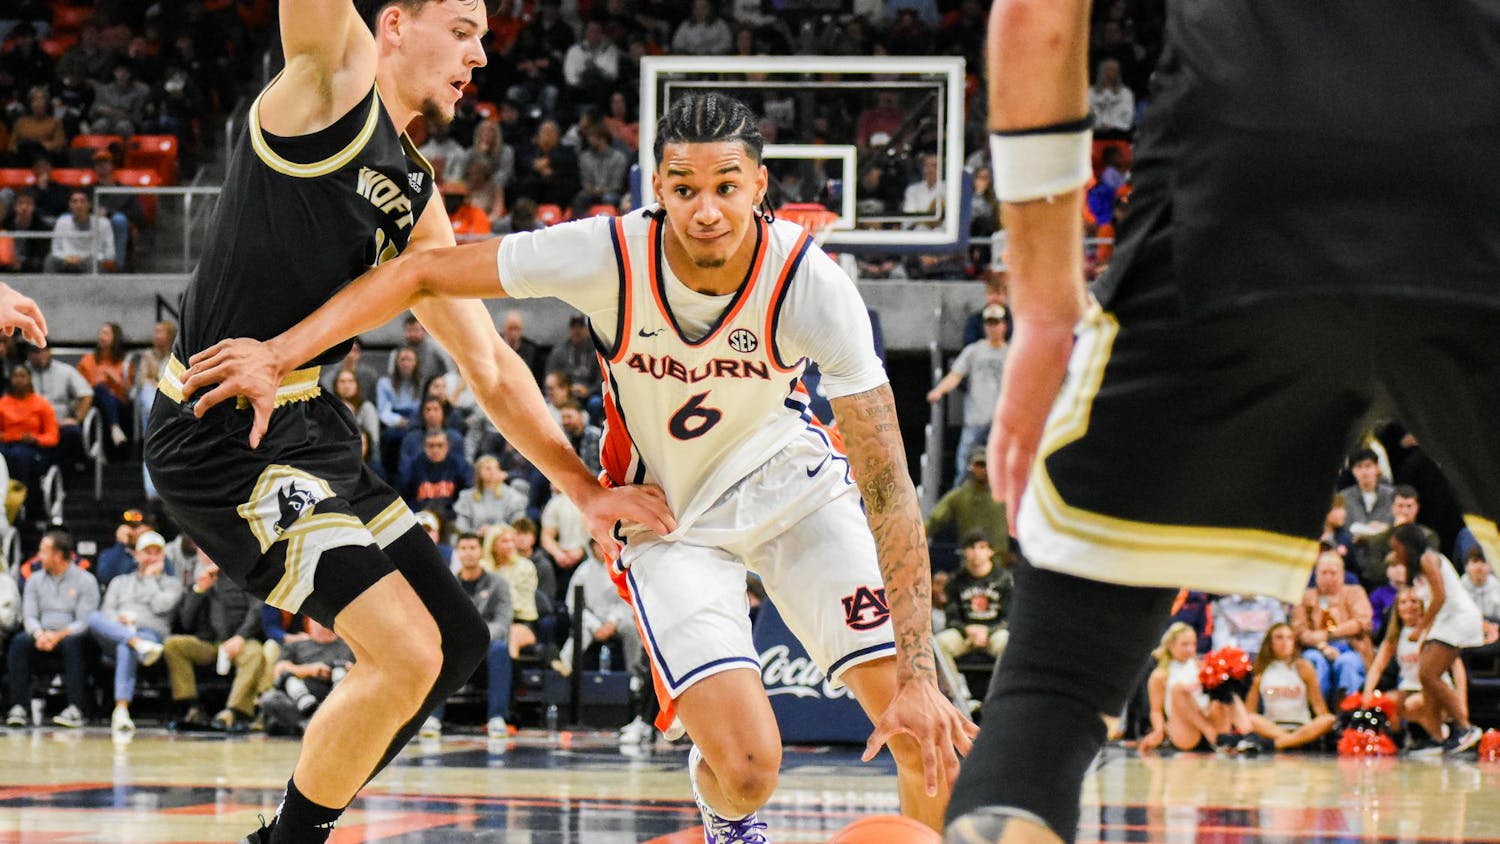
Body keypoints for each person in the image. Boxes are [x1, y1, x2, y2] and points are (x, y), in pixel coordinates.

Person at [179, 91, 975, 837]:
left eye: (727, 187)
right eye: (684, 186)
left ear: (759, 186)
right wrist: (278, 353)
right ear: (655, 185)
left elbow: (886, 484)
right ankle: (728, 814)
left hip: (795, 497)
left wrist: (918, 672)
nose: (706, 209)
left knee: (926, 735)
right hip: (669, 515)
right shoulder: (605, 253)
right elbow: (419, 271)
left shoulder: (812, 285)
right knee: (747, 768)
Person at [947, 0, 1500, 840]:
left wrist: (1045, 309)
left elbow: (1037, 15)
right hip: (1479, 165)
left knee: (1054, 690)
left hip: (1235, 190)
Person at [147, 4, 671, 841]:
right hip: (219, 428)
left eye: (485, 37)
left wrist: (580, 486)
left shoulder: (417, 196)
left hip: (310, 426)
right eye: (463, 29)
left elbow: (491, 367)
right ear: (393, 24)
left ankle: (286, 829)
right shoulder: (328, 83)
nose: (480, 53)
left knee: (455, 642)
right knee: (406, 651)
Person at [1389, 523, 1485, 755]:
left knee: (1428, 674)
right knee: (1427, 675)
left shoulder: (1427, 558)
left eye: (1396, 548)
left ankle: (1465, 727)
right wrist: (1427, 634)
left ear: (1407, 546)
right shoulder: (1418, 570)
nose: (1395, 554)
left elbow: (1440, 597)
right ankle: (1436, 735)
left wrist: (1420, 629)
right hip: (1444, 621)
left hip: (1458, 619)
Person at [162, 550, 271, 732]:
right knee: (174, 645)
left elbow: (257, 609)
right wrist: (198, 591)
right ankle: (191, 707)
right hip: (208, 644)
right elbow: (186, 622)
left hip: (239, 641)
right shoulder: (197, 581)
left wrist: (241, 636)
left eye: (210, 551)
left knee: (255, 653)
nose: (207, 556)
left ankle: (233, 711)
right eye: (203, 553)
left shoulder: (241, 577)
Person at [87, 530, 181, 734]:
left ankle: (121, 710)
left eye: (157, 552)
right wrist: (119, 621)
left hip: (151, 636)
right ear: (136, 555)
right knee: (93, 618)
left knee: (125, 647)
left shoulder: (173, 585)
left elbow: (161, 606)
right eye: (147, 552)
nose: (152, 557)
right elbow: (106, 611)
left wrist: (150, 579)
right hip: (120, 632)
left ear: (163, 556)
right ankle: (135, 642)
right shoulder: (119, 582)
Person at [421, 532, 514, 739]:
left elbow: (503, 623)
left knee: (500, 648)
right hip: (458, 649)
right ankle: (433, 718)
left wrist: (475, 635)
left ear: (481, 551)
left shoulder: (498, 583)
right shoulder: (448, 584)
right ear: (457, 553)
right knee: (440, 648)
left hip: (486, 649)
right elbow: (440, 621)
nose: (468, 553)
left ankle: (496, 718)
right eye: (463, 548)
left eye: (473, 548)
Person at [5, 530, 97, 729]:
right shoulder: (34, 580)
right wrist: (39, 633)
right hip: (42, 634)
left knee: (74, 643)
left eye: (43, 552)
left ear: (58, 555)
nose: (39, 556)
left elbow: (85, 621)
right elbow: (29, 616)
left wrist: (58, 635)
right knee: (20, 642)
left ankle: (75, 708)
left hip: (71, 635)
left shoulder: (86, 580)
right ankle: (18, 707)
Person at [1361, 587, 1467, 750]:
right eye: (1403, 602)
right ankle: (1400, 741)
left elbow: (1457, 668)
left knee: (1412, 704)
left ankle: (1439, 735)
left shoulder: (1434, 631)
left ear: (1423, 606)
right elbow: (1377, 666)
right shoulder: (1396, 635)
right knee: (1385, 702)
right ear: (1396, 607)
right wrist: (1367, 695)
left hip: (1436, 689)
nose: (1408, 606)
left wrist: (1460, 700)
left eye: (1414, 602)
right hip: (1409, 687)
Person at [1136, 623, 1252, 754]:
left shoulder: (1201, 666)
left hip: (1210, 719)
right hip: (1185, 730)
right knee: (1178, 690)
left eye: (1193, 644)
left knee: (1223, 683)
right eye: (1184, 645)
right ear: (1171, 645)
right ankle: (1211, 732)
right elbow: (1156, 710)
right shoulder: (1160, 675)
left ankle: (1245, 732)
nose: (1190, 649)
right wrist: (1159, 731)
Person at [926, 303, 1009, 487]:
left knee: (1002, 466)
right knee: (964, 465)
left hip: (1001, 421)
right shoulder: (974, 351)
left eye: (996, 322)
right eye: (989, 322)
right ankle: (958, 497)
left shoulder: (1011, 353)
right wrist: (939, 390)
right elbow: (956, 375)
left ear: (1004, 325)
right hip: (975, 419)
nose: (992, 327)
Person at [1291, 552, 1373, 703]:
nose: (1329, 577)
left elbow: (1362, 621)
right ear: (1316, 575)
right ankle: (1318, 710)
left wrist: (1328, 634)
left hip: (1351, 647)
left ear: (1342, 574)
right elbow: (1300, 631)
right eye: (1324, 573)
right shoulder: (1305, 596)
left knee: (1347, 663)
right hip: (1315, 649)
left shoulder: (1354, 592)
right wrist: (1323, 646)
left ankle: (1347, 711)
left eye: (1333, 573)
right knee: (1314, 661)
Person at [1243, 622, 1337, 752]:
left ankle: (1278, 744)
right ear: (1269, 642)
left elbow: (1320, 708)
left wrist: (1321, 724)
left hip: (1302, 727)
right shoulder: (1261, 670)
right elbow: (1249, 712)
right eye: (1279, 637)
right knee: (1250, 718)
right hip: (1272, 728)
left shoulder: (1304, 667)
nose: (1285, 642)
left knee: (1329, 719)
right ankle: (1291, 740)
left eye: (1289, 637)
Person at [259, 618, 355, 736]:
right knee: (269, 698)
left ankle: (309, 726)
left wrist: (346, 668)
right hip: (302, 701)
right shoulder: (297, 644)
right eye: (316, 621)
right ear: (308, 624)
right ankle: (316, 725)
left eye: (323, 622)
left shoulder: (348, 646)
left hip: (338, 699)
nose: (320, 626)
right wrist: (309, 670)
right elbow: (279, 671)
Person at [0, 365, 59, 516]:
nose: (19, 380)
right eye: (15, 376)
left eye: (22, 376)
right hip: (7, 445)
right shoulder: (3, 403)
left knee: (20, 456)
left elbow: (53, 436)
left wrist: (36, 439)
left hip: (33, 449)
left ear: (30, 379)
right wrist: (9, 436)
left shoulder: (41, 404)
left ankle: (21, 503)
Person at [77, 321, 132, 447]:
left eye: (106, 334)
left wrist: (113, 378)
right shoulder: (87, 360)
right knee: (100, 389)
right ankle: (114, 428)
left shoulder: (124, 363)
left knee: (106, 394)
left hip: (119, 405)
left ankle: (114, 431)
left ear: (115, 338)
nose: (102, 337)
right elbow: (79, 386)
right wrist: (98, 383)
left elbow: (127, 392)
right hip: (92, 402)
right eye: (101, 333)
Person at [44, 189, 116, 273]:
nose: (78, 205)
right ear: (70, 205)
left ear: (89, 204)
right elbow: (55, 248)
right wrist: (67, 257)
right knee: (50, 260)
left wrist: (89, 258)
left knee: (94, 264)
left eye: (82, 201)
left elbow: (109, 252)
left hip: (92, 259)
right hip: (68, 258)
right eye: (74, 202)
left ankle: (95, 286)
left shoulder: (103, 223)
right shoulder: (62, 221)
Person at [453, 454, 528, 535]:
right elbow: (461, 527)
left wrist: (494, 531)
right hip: (476, 540)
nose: (493, 472)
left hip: (504, 540)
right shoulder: (467, 497)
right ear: (479, 472)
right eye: (488, 468)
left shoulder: (513, 496)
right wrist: (477, 533)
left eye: (496, 468)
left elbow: (517, 525)